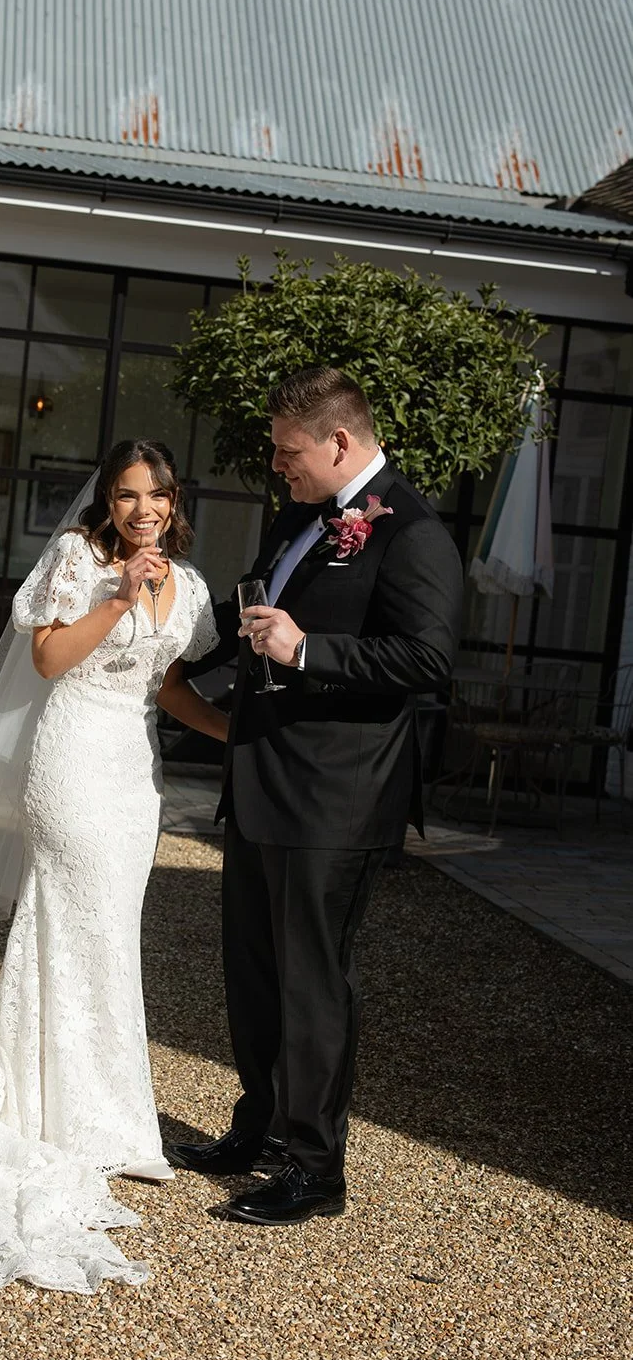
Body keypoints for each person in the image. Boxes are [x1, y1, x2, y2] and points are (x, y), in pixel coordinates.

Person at [0, 439, 227, 1292]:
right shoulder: (78, 558)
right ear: (108, 499)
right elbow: (48, 659)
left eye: (158, 494)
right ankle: (51, 1110)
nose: (144, 508)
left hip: (133, 776)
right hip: (68, 764)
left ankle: (99, 1113)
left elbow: (169, 687)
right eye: (128, 494)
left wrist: (233, 736)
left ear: (176, 499)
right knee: (77, 924)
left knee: (109, 937)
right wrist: (119, 595)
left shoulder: (195, 584)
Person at [171, 366, 464, 1225]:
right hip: (261, 782)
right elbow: (248, 615)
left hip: (336, 801)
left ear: (339, 441)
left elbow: (426, 659)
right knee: (254, 975)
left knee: (312, 986)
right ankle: (256, 1128)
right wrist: (162, 644)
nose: (277, 465)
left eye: (287, 450)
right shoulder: (303, 516)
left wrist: (307, 651)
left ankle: (315, 1170)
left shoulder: (411, 534)